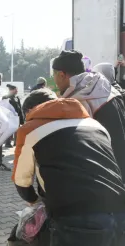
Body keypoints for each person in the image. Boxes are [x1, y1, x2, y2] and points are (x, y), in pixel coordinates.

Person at [12, 88, 125, 246]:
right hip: (119, 210)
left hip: (75, 218)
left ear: (30, 110)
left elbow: (21, 181)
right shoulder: (95, 125)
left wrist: (34, 200)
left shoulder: (30, 129)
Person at [52, 50, 125, 181]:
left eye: (54, 75)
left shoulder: (78, 101)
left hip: (105, 173)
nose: (54, 80)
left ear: (62, 75)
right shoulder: (106, 87)